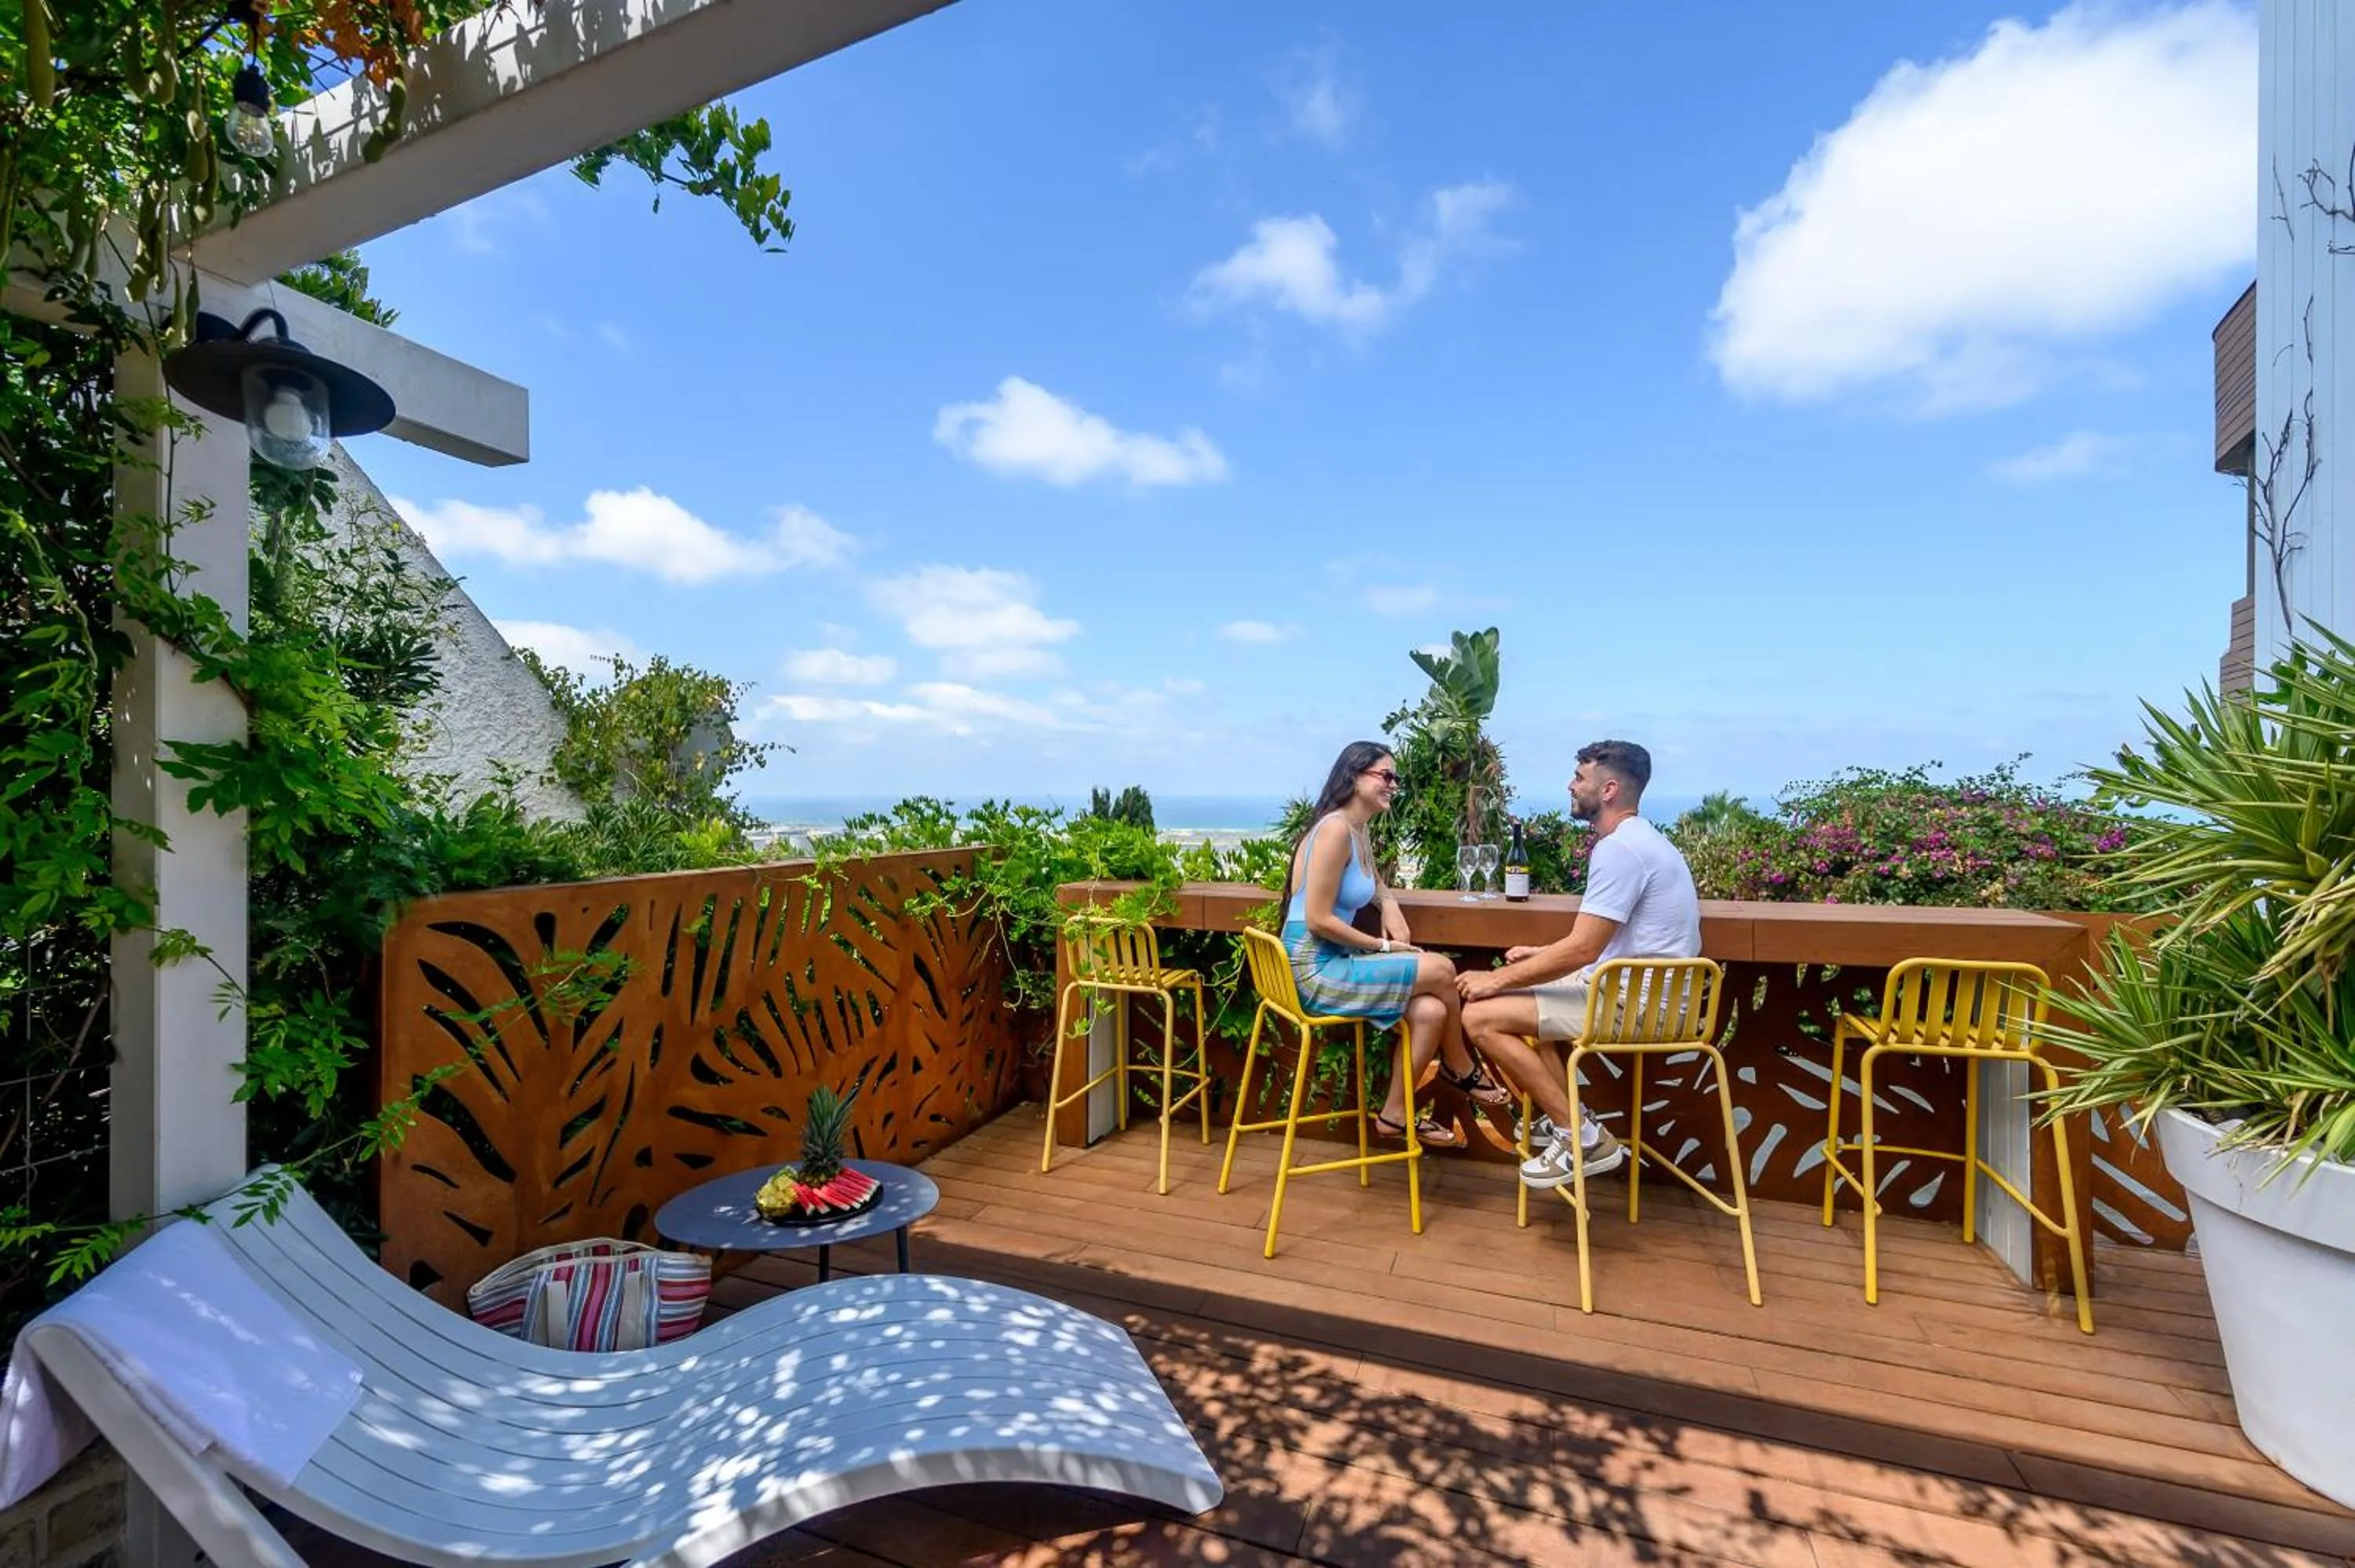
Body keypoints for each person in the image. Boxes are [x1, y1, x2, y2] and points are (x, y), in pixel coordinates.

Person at [1455, 739, 1700, 1187]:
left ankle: (1580, 1136)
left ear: (1608, 790)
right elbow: (1606, 945)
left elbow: (1584, 950)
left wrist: (1495, 980)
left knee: (1480, 1016)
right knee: (1531, 1015)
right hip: (1650, 995)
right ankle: (1573, 1121)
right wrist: (1541, 958)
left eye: (1579, 778)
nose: (1571, 786)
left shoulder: (1619, 850)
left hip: (1639, 1008)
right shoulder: (1644, 841)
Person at [1281, 741, 1513, 1148]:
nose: (1393, 784)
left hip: (1333, 961)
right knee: (1441, 969)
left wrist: (1387, 902)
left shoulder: (1356, 830)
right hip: (1315, 968)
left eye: (1395, 778)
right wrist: (1384, 947)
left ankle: (1394, 1115)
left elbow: (1367, 882)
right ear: (1354, 777)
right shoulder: (1335, 829)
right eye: (1385, 776)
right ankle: (1460, 1067)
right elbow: (1318, 920)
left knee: (1431, 1010)